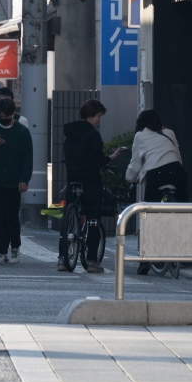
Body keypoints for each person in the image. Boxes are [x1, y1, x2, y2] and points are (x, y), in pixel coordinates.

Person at [59, 99, 122, 273]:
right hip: (90, 181)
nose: (99, 120)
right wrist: (110, 158)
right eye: (98, 117)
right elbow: (97, 161)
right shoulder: (93, 135)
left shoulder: (70, 134)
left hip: (73, 180)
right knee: (93, 219)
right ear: (91, 115)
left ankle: (63, 259)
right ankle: (92, 261)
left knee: (68, 218)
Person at [125, 109, 185, 275]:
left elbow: (135, 163)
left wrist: (129, 178)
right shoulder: (169, 132)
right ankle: (186, 254)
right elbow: (178, 155)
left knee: (148, 215)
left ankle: (145, 260)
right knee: (184, 211)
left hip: (156, 175)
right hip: (177, 172)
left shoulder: (140, 135)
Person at [0, 96, 32, 264]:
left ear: (12, 114)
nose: (3, 120)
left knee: (12, 216)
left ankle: (15, 247)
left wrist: (24, 179)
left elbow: (27, 158)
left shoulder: (22, 132)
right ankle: (1, 251)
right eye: (0, 117)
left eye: (6, 116)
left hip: (13, 181)